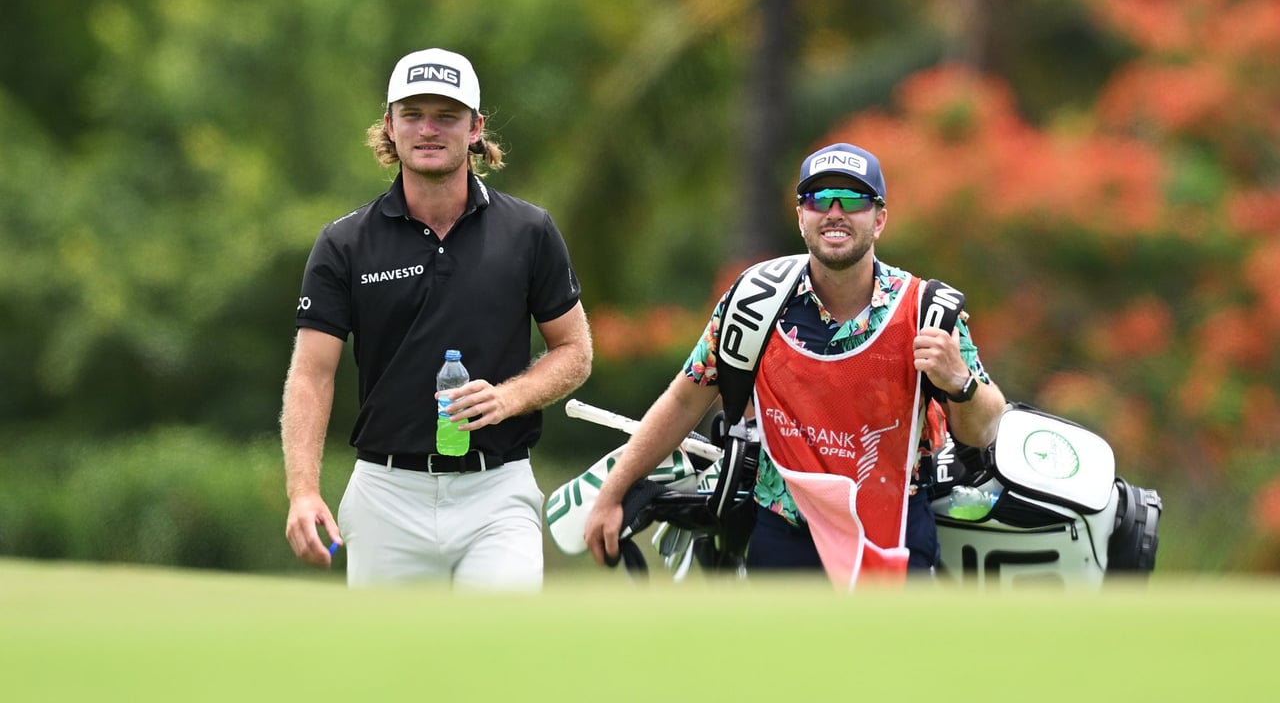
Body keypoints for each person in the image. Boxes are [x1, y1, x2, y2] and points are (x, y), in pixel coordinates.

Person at [583, 142, 1005, 585]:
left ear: (879, 220)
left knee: (891, 658)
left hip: (894, 532)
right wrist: (612, 494)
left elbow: (982, 429)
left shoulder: (927, 309)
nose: (835, 212)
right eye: (819, 199)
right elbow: (684, 401)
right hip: (785, 536)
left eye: (854, 199)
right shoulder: (755, 301)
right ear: (801, 216)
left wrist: (960, 382)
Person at [282, 48, 592, 590]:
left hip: (498, 493)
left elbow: (575, 350)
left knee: (501, 656)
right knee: (391, 670)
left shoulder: (529, 231)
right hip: (385, 496)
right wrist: (303, 490)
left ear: (475, 128)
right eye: (413, 114)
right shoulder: (344, 243)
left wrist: (508, 398)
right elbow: (312, 373)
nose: (429, 129)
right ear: (390, 126)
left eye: (446, 115)